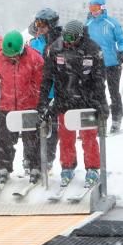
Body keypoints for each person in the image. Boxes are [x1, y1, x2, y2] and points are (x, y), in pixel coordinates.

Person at [37, 20, 107, 189]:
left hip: (87, 99)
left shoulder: (93, 49)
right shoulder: (55, 49)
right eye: (65, 37)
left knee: (89, 136)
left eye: (71, 38)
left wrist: (102, 103)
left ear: (80, 36)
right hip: (64, 99)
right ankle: (67, 167)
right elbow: (47, 78)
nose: (68, 41)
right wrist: (43, 101)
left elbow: (99, 79)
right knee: (66, 136)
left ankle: (92, 168)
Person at [0, 30, 44, 185]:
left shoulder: (35, 58)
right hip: (7, 106)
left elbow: (40, 83)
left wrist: (38, 101)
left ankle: (35, 166)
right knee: (4, 139)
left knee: (32, 140)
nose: (11, 58)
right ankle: (4, 167)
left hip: (28, 106)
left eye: (14, 55)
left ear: (21, 49)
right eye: (9, 56)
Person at [84, 0, 123, 133]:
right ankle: (98, 121)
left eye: (96, 8)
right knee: (97, 93)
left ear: (102, 8)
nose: (94, 12)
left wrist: (121, 52)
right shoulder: (88, 25)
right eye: (91, 9)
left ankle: (116, 118)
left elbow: (122, 40)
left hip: (112, 63)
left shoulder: (112, 23)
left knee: (113, 92)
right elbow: (83, 42)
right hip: (96, 65)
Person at [30, 7, 63, 174]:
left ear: (51, 24)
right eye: (37, 24)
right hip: (38, 91)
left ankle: (48, 159)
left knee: (54, 128)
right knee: (37, 127)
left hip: (56, 90)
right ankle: (34, 161)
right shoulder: (34, 43)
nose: (39, 27)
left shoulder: (61, 42)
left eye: (42, 24)